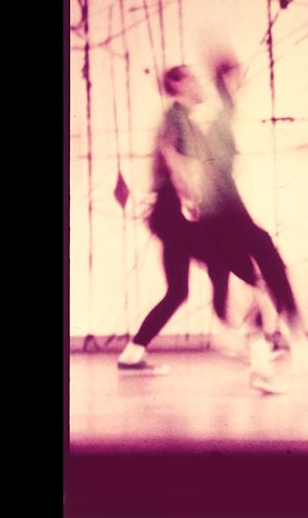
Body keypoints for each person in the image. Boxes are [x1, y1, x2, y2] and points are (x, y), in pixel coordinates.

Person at [117, 66, 283, 393]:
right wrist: (188, 198)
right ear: (177, 85)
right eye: (191, 78)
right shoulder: (176, 118)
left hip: (167, 215)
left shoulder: (185, 120)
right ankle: (240, 343)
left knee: (178, 290)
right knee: (243, 272)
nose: (199, 83)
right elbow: (171, 156)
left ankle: (132, 354)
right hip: (174, 212)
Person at [200, 53, 308, 385]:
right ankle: (298, 344)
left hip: (215, 216)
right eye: (237, 77)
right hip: (222, 212)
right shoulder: (221, 120)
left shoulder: (222, 119)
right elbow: (217, 172)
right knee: (269, 265)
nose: (242, 82)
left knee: (257, 283)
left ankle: (261, 367)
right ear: (228, 79)